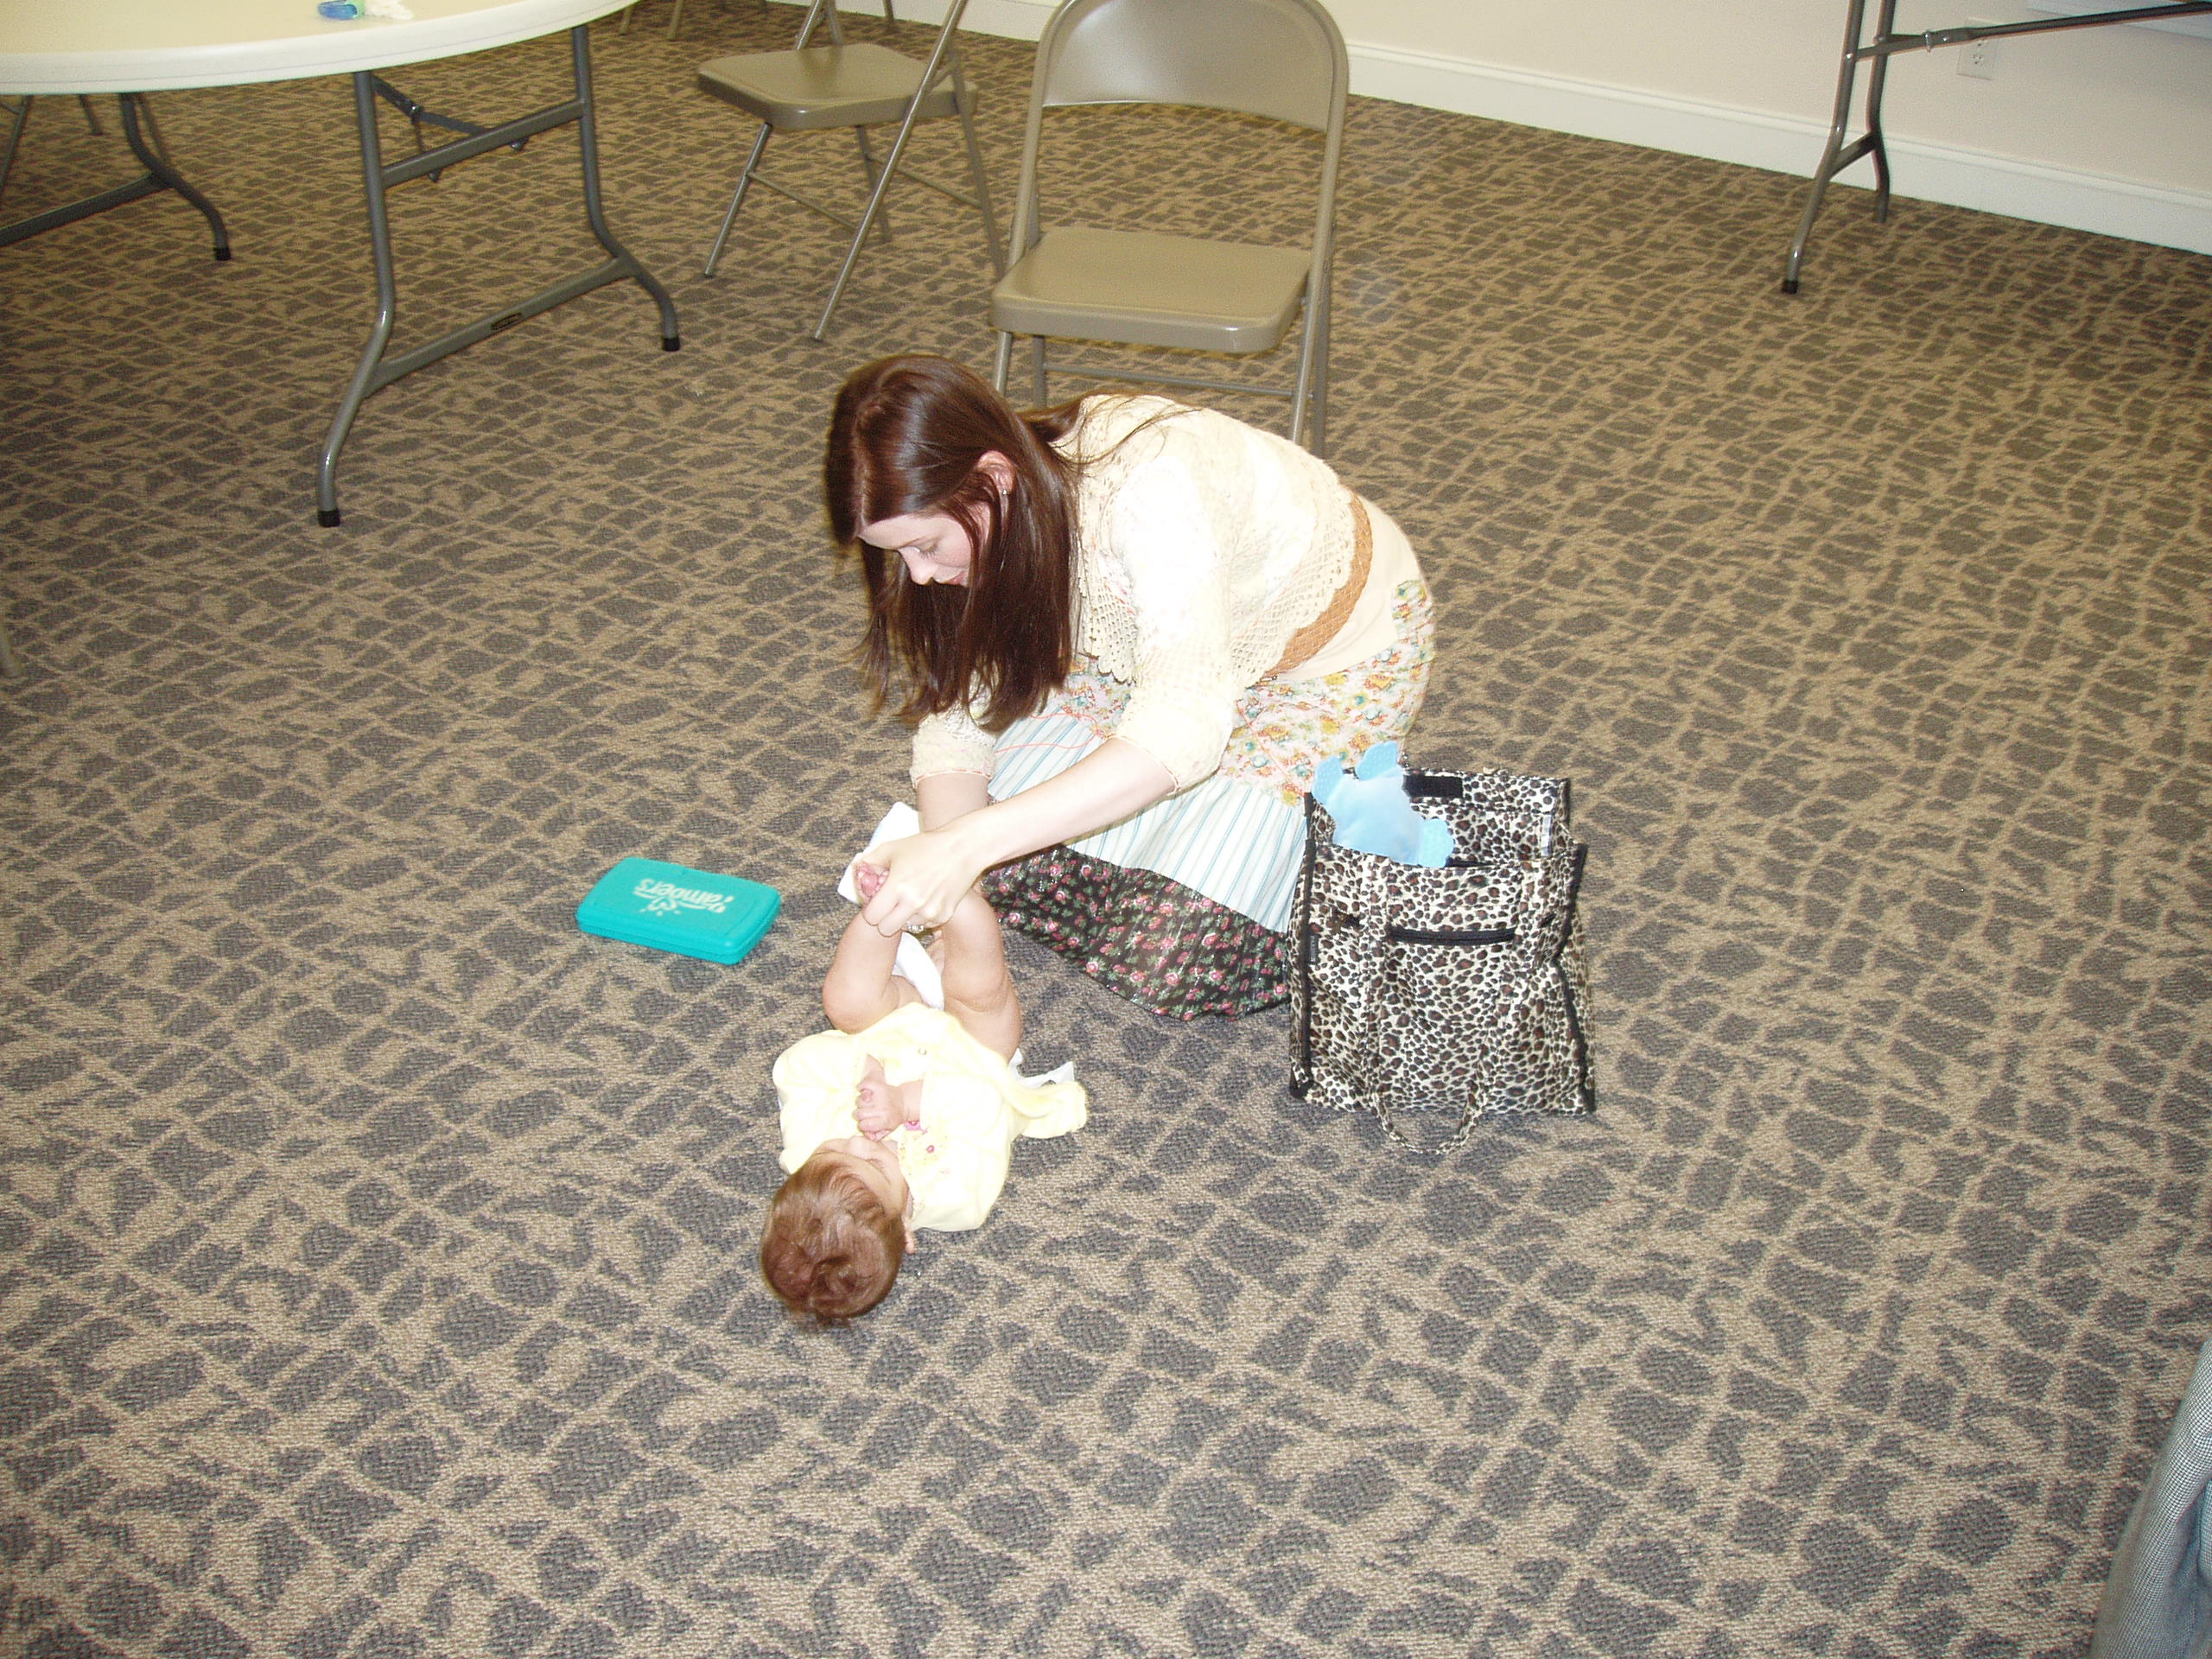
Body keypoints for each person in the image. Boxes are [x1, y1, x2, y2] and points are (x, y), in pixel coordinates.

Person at [823, 354, 1435, 1018]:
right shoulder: (996, 510)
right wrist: (957, 893)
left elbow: (1181, 729)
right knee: (1001, 852)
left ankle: (1388, 827)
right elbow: (957, 714)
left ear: (994, 478)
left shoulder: (1149, 494)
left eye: (926, 546)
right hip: (1165, 652)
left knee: (1182, 956)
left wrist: (960, 848)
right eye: (896, 554)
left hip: (1323, 667)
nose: (917, 575)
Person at [760, 889, 1087, 1324]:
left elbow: (796, 1067)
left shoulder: (805, 1155)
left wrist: (864, 1069)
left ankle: (889, 903)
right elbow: (984, 1102)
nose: (859, 1141)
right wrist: (906, 1101)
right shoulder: (960, 1200)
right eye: (875, 1162)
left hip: (894, 1023)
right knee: (980, 993)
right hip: (971, 1049)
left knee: (846, 1000)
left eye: (833, 1148)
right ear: (905, 1229)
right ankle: (962, 900)